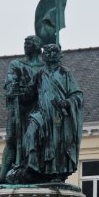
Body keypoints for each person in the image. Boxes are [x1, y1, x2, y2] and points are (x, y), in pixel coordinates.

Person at [22, 43, 83, 184]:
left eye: (53, 52)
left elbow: (77, 95)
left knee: (56, 143)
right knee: (31, 132)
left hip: (58, 114)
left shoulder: (64, 72)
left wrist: (67, 102)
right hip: (41, 113)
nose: (49, 55)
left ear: (59, 55)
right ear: (43, 55)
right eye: (47, 52)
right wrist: (18, 94)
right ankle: (33, 166)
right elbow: (29, 94)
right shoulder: (39, 74)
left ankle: (56, 172)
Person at [0, 35, 43, 186]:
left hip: (37, 109)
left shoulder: (44, 68)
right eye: (25, 43)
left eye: (29, 43)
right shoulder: (16, 64)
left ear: (37, 46)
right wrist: (12, 86)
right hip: (18, 107)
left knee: (35, 140)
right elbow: (10, 80)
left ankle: (35, 170)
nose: (25, 45)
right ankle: (3, 174)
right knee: (11, 139)